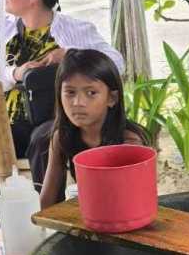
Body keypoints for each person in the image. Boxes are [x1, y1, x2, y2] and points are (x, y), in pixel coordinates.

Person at [0, 0, 124, 219]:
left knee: (44, 141)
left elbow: (116, 62)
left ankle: (52, 216)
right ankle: (5, 216)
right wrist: (15, 72)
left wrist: (71, 54)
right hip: (10, 119)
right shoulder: (2, 30)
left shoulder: (74, 29)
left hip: (54, 116)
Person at [40, 49, 147, 209]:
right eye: (70, 92)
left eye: (91, 93)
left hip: (124, 218)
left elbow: (134, 202)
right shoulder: (62, 137)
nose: (78, 102)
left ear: (111, 98)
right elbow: (47, 200)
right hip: (87, 216)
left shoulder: (129, 142)